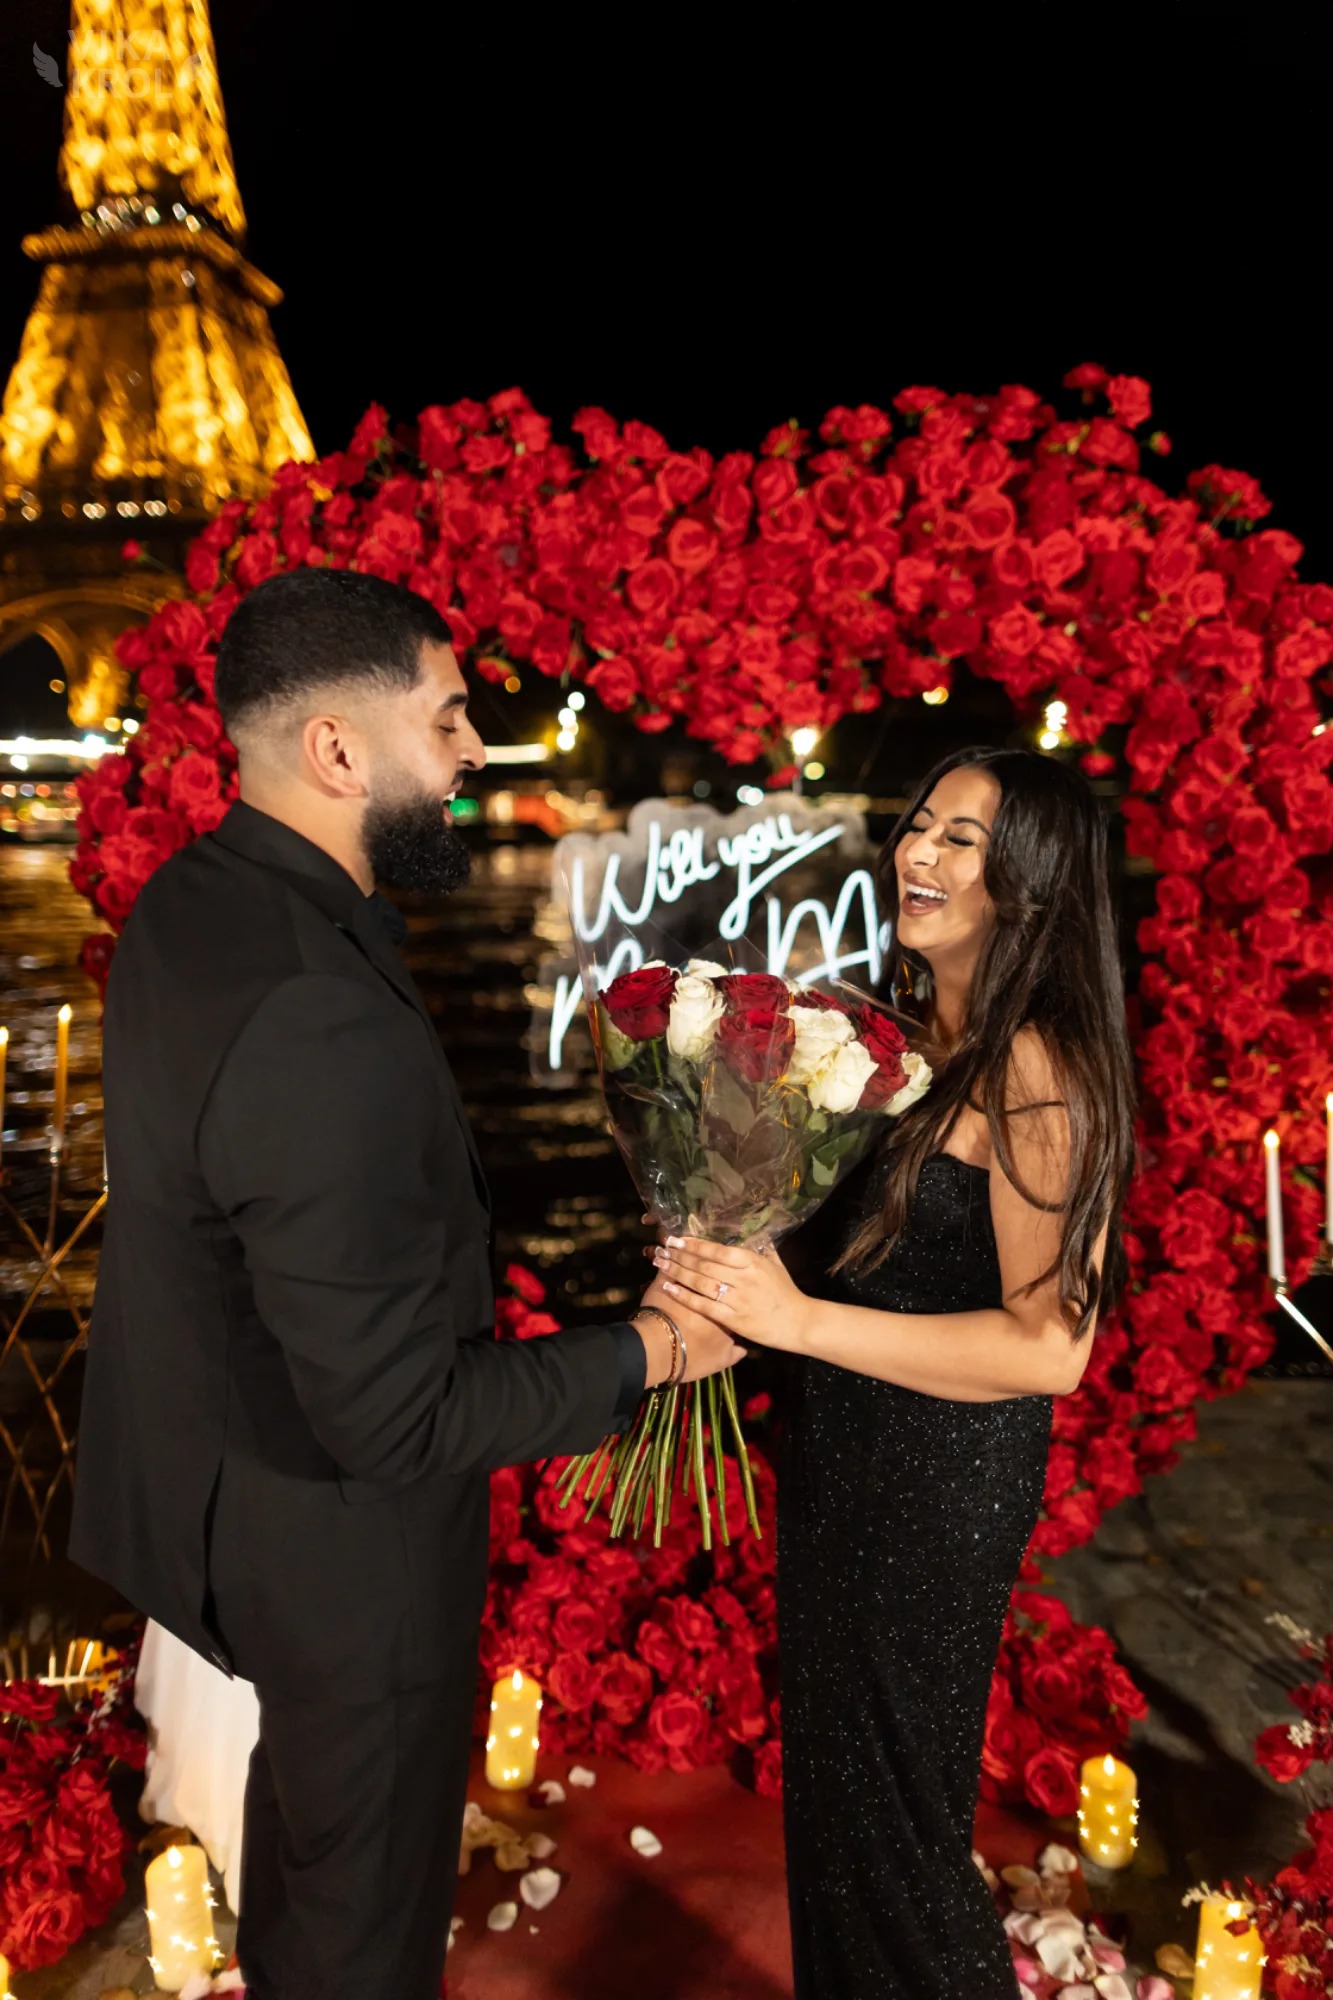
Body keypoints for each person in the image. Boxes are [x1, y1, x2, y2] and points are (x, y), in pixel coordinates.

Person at [68, 567, 737, 2000]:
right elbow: (395, 1416)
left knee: (315, 1864)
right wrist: (654, 1352)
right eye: (447, 722)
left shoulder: (194, 904)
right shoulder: (314, 1006)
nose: (474, 752)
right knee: (361, 1924)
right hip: (339, 1550)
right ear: (335, 749)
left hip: (233, 1491)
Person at [652, 746, 1135, 1999]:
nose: (914, 851)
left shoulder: (1038, 1063)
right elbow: (856, 1270)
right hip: (844, 1458)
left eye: (958, 838)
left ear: (1028, 881)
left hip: (934, 1489)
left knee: (898, 1839)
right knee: (839, 1817)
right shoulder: (910, 1038)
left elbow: (1050, 1342)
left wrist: (796, 1319)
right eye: (916, 824)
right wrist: (724, 1248)